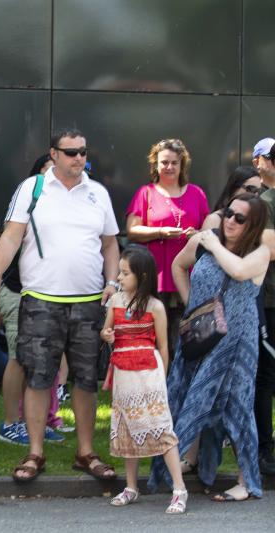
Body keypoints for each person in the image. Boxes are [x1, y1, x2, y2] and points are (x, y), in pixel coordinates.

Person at [0, 128, 120, 483]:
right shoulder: (33, 189)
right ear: (53, 154)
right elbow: (10, 237)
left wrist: (113, 284)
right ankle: (35, 453)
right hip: (41, 300)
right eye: (70, 152)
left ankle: (86, 453)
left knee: (86, 380)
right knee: (39, 377)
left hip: (89, 302)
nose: (79, 159)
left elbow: (110, 246)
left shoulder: (97, 193)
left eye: (83, 152)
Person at [149, 193, 269, 501]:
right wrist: (193, 307)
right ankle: (182, 467)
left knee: (239, 408)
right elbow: (177, 266)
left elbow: (239, 272)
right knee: (185, 398)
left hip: (235, 347)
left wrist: (214, 245)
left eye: (239, 218)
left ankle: (247, 481)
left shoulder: (260, 252)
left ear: (252, 225)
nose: (230, 220)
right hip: (199, 339)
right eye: (229, 213)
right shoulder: (204, 241)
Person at [100, 247, 186, 514]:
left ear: (143, 275)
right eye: (120, 273)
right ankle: (131, 486)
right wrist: (107, 335)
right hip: (124, 372)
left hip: (148, 373)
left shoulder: (155, 306)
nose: (120, 278)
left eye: (126, 273)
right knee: (126, 427)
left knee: (161, 426)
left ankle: (179, 489)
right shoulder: (115, 301)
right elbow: (107, 330)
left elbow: (162, 347)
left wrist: (162, 378)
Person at [0, 153, 65, 445]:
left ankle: (35, 421)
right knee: (18, 358)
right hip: (17, 292)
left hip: (50, 295)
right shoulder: (26, 201)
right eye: (47, 172)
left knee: (42, 360)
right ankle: (10, 424)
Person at [126, 139, 210, 353]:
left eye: (174, 162)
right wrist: (161, 232)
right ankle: (156, 382)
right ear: (155, 164)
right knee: (155, 337)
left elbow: (209, 233)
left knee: (187, 335)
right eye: (164, 162)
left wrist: (196, 235)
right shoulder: (146, 193)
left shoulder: (197, 193)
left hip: (189, 276)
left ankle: (182, 383)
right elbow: (132, 230)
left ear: (182, 165)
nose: (170, 167)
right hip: (156, 276)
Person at [254, 143, 275, 476]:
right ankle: (264, 450)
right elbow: (270, 251)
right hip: (270, 299)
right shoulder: (266, 202)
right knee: (266, 376)